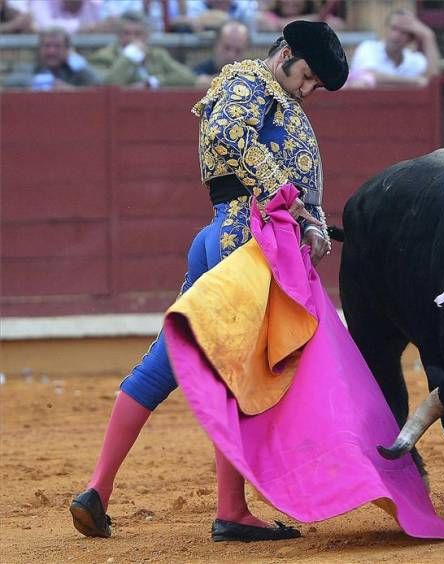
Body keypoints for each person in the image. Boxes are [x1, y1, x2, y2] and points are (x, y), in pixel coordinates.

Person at [69, 20, 347, 543]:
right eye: (307, 77)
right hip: (241, 244)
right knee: (238, 374)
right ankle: (231, 509)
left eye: (316, 88)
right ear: (284, 52)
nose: (308, 91)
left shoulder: (276, 97)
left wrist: (310, 220)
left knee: (170, 360)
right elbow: (226, 134)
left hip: (231, 238)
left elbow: (286, 184)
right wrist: (286, 197)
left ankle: (97, 491)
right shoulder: (250, 81)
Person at [88, 10, 195, 88]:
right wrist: (129, 57)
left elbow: (189, 77)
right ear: (118, 35)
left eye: (138, 33)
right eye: (126, 33)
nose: (132, 38)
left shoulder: (157, 55)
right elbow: (107, 86)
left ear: (146, 36)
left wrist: (152, 82)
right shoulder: (102, 57)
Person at [349, 9, 439, 88]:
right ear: (385, 29)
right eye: (394, 28)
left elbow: (433, 81)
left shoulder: (414, 60)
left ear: (411, 38)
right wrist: (414, 81)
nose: (396, 36)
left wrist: (428, 36)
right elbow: (369, 76)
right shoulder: (368, 48)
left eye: (403, 31)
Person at [3, 26, 99, 89]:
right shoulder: (31, 68)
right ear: (39, 49)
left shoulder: (76, 70)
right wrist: (41, 83)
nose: (51, 51)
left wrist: (71, 89)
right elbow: (9, 82)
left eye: (57, 46)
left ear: (67, 49)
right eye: (47, 46)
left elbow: (99, 84)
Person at [193, 20, 250, 88]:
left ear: (246, 50)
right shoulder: (198, 72)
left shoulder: (254, 76)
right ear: (216, 45)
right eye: (226, 48)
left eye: (238, 50)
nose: (231, 55)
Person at [22, 0, 108, 33]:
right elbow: (45, 27)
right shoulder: (41, 2)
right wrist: (82, 27)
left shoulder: (95, 4)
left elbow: (103, 27)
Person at [257, 0, 344, 32]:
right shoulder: (268, 16)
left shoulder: (322, 19)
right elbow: (276, 25)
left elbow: (337, 24)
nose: (290, 2)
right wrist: (317, 19)